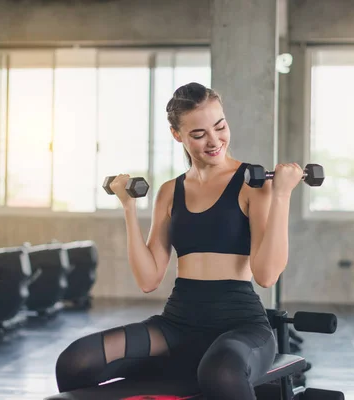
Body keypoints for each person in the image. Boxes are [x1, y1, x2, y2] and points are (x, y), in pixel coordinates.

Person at [55, 82, 305, 400]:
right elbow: (148, 279)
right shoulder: (170, 192)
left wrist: (281, 194)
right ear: (178, 135)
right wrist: (128, 207)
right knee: (77, 361)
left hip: (240, 325)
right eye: (199, 134)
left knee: (221, 374)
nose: (214, 141)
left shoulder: (252, 185)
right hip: (177, 323)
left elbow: (267, 276)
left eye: (220, 126)